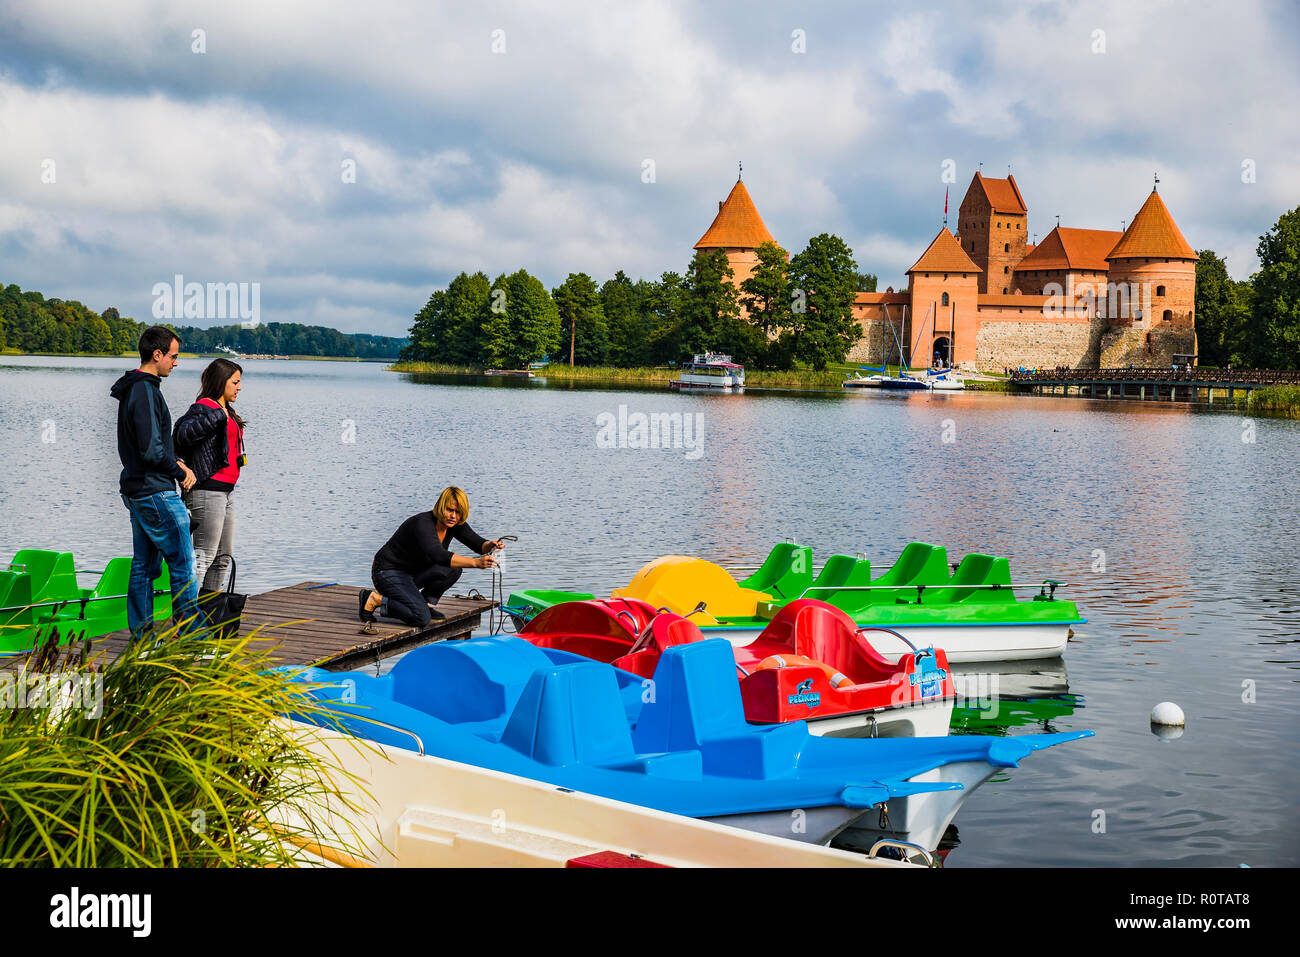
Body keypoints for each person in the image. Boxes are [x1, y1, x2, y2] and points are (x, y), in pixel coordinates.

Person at [110, 326, 201, 640]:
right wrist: (181, 472)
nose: (176, 363)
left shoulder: (135, 388)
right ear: (157, 354)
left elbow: (148, 446)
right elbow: (151, 450)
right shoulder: (145, 391)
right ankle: (192, 637)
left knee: (144, 565)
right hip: (155, 490)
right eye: (173, 356)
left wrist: (173, 463)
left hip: (137, 489)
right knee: (184, 564)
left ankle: (143, 637)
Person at [360, 487, 504, 628]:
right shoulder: (423, 523)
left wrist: (490, 545)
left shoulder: (455, 524)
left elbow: (478, 544)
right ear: (441, 506)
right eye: (450, 510)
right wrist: (475, 563)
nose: (453, 516)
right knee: (421, 618)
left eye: (458, 512)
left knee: (454, 569)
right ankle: (375, 599)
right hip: (387, 572)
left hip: (412, 573)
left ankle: (425, 603)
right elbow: (438, 555)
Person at [174, 358, 246, 592]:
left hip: (226, 492)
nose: (239, 387)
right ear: (221, 381)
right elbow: (182, 435)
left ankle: (208, 614)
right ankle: (187, 618)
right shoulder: (203, 407)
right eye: (235, 382)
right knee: (203, 558)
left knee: (223, 557)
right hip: (207, 491)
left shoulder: (225, 409)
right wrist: (217, 416)